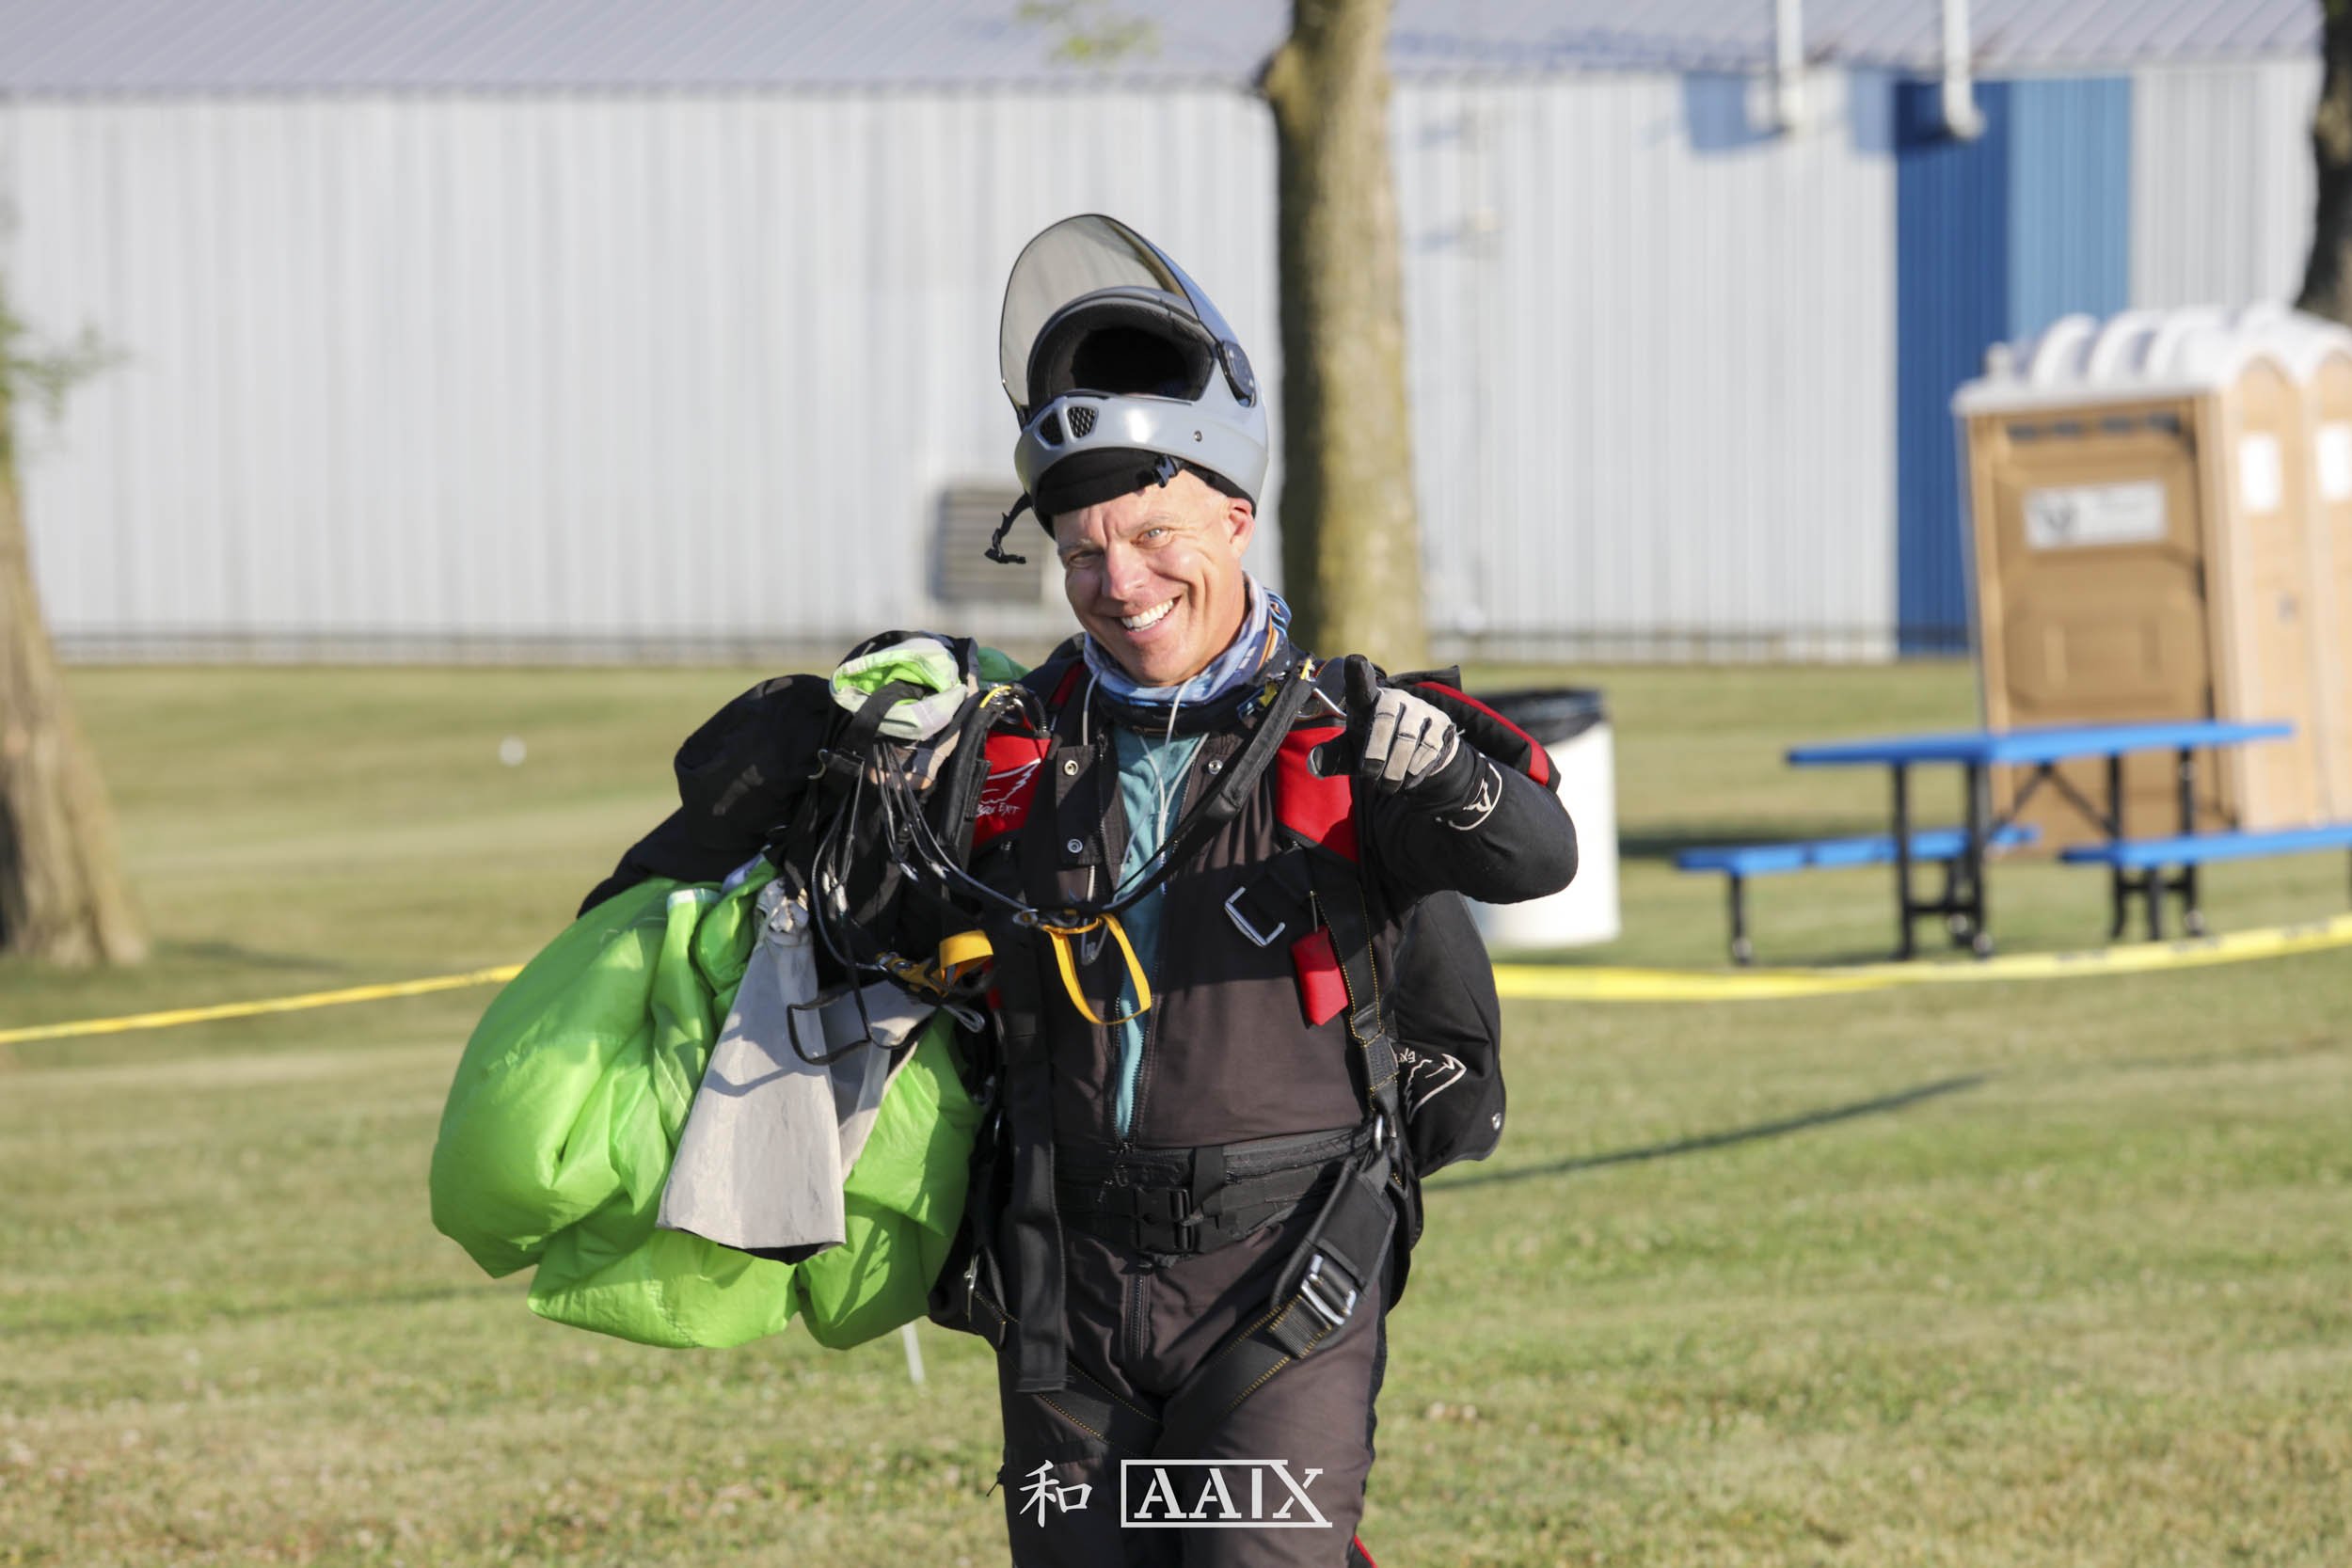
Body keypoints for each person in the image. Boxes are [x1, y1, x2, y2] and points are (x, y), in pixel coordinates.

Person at [938, 214, 1579, 1567]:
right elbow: (895, 937)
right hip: (1066, 1280)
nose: (1122, 584)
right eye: (1083, 552)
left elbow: (1535, 855)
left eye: (1158, 534)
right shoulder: (1014, 745)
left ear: (1236, 513)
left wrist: (1451, 776)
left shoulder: (1343, 730)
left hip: (1282, 1279)